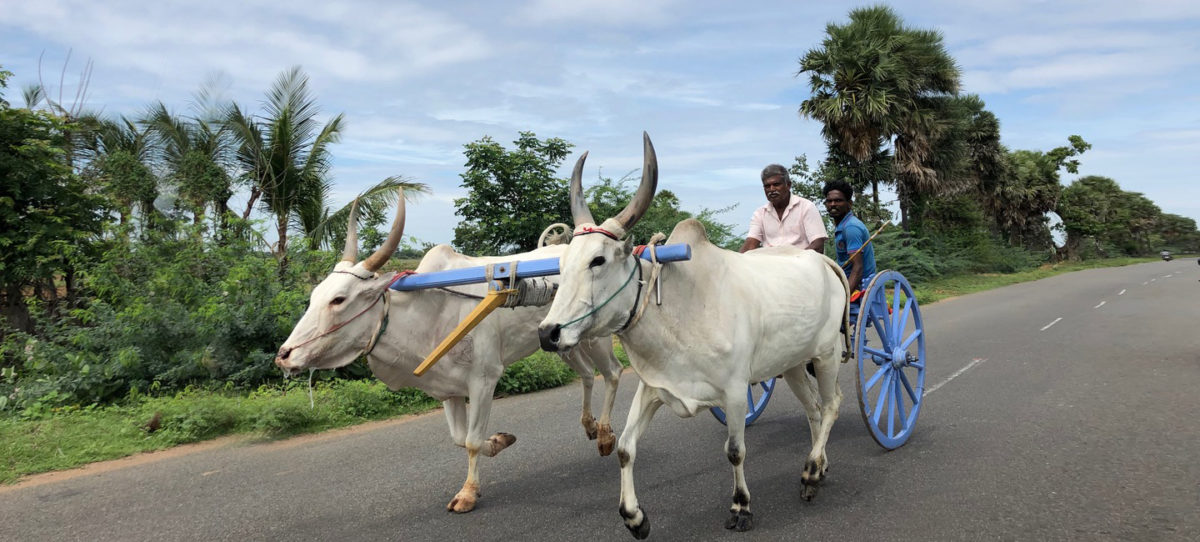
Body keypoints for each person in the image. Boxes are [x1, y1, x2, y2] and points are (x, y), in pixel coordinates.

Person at [739, 164, 827, 253]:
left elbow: (818, 245)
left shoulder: (806, 207)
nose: (771, 189)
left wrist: (793, 262)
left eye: (776, 184)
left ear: (788, 185)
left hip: (801, 263)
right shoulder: (760, 213)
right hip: (770, 264)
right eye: (767, 186)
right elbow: (751, 243)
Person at [823, 180, 875, 295]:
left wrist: (843, 297)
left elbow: (858, 267)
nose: (832, 204)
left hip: (859, 286)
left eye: (838, 200)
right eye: (829, 201)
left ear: (849, 204)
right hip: (843, 281)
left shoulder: (851, 227)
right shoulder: (842, 226)